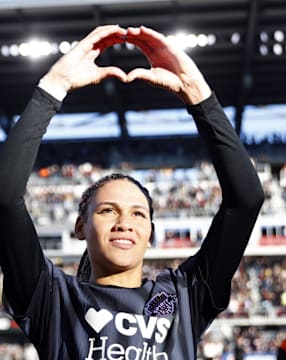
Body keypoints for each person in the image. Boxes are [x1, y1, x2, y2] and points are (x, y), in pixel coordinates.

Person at [0, 25, 264, 359]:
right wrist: (52, 87)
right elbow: (5, 198)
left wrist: (199, 95)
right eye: (107, 210)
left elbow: (246, 200)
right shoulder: (51, 299)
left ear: (150, 233)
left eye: (138, 213)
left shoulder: (184, 296)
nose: (124, 222)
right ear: (80, 226)